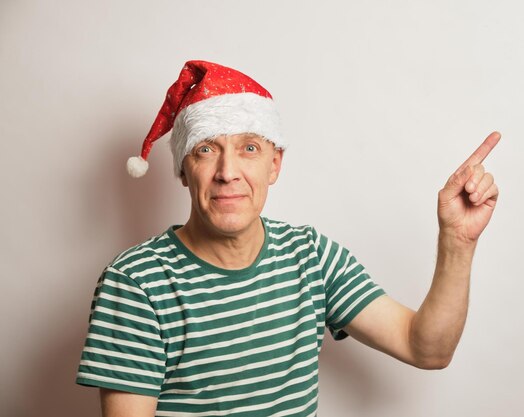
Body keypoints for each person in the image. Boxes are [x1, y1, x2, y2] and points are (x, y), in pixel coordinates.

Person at [76, 60, 500, 417]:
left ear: (275, 165)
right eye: (206, 149)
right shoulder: (135, 283)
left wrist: (457, 241)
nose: (228, 172)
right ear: (183, 169)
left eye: (249, 149)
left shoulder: (311, 257)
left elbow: (426, 349)